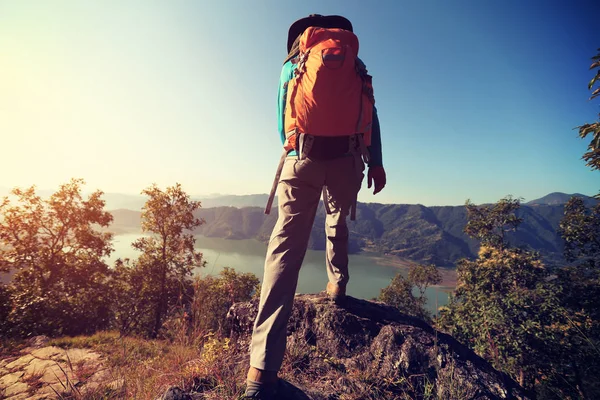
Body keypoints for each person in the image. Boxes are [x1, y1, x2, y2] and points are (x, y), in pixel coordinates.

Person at [244, 14, 386, 399]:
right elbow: (370, 115)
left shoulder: (291, 67)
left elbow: (281, 123)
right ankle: (337, 284)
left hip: (301, 157)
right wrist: (376, 161)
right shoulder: (357, 67)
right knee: (337, 218)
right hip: (348, 160)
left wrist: (298, 145)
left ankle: (261, 374)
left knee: (285, 249)